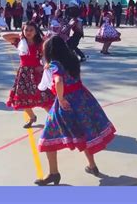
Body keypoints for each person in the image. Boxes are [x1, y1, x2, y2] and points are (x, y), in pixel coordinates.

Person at [34, 35, 116, 186]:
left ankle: (53, 173)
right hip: (83, 99)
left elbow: (58, 81)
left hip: (67, 102)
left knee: (48, 136)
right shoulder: (72, 59)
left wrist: (60, 98)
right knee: (83, 132)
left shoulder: (55, 64)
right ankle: (92, 166)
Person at [3, 22, 55, 128]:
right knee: (22, 98)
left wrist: (44, 66)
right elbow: (5, 36)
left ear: (36, 31)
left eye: (31, 30)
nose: (28, 32)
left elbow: (45, 58)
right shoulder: (20, 41)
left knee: (44, 97)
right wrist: (19, 35)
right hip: (23, 73)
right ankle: (32, 117)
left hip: (37, 72)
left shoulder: (41, 43)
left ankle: (55, 119)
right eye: (26, 30)